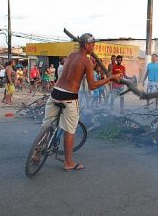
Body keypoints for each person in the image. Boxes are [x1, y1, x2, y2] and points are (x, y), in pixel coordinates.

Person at [40, 33, 121, 171]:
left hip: (55, 92)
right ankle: (68, 163)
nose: (94, 47)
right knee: (70, 130)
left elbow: (72, 74)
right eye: (93, 45)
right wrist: (110, 78)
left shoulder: (71, 55)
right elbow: (92, 85)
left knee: (46, 124)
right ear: (86, 45)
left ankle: (36, 154)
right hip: (69, 96)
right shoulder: (86, 61)